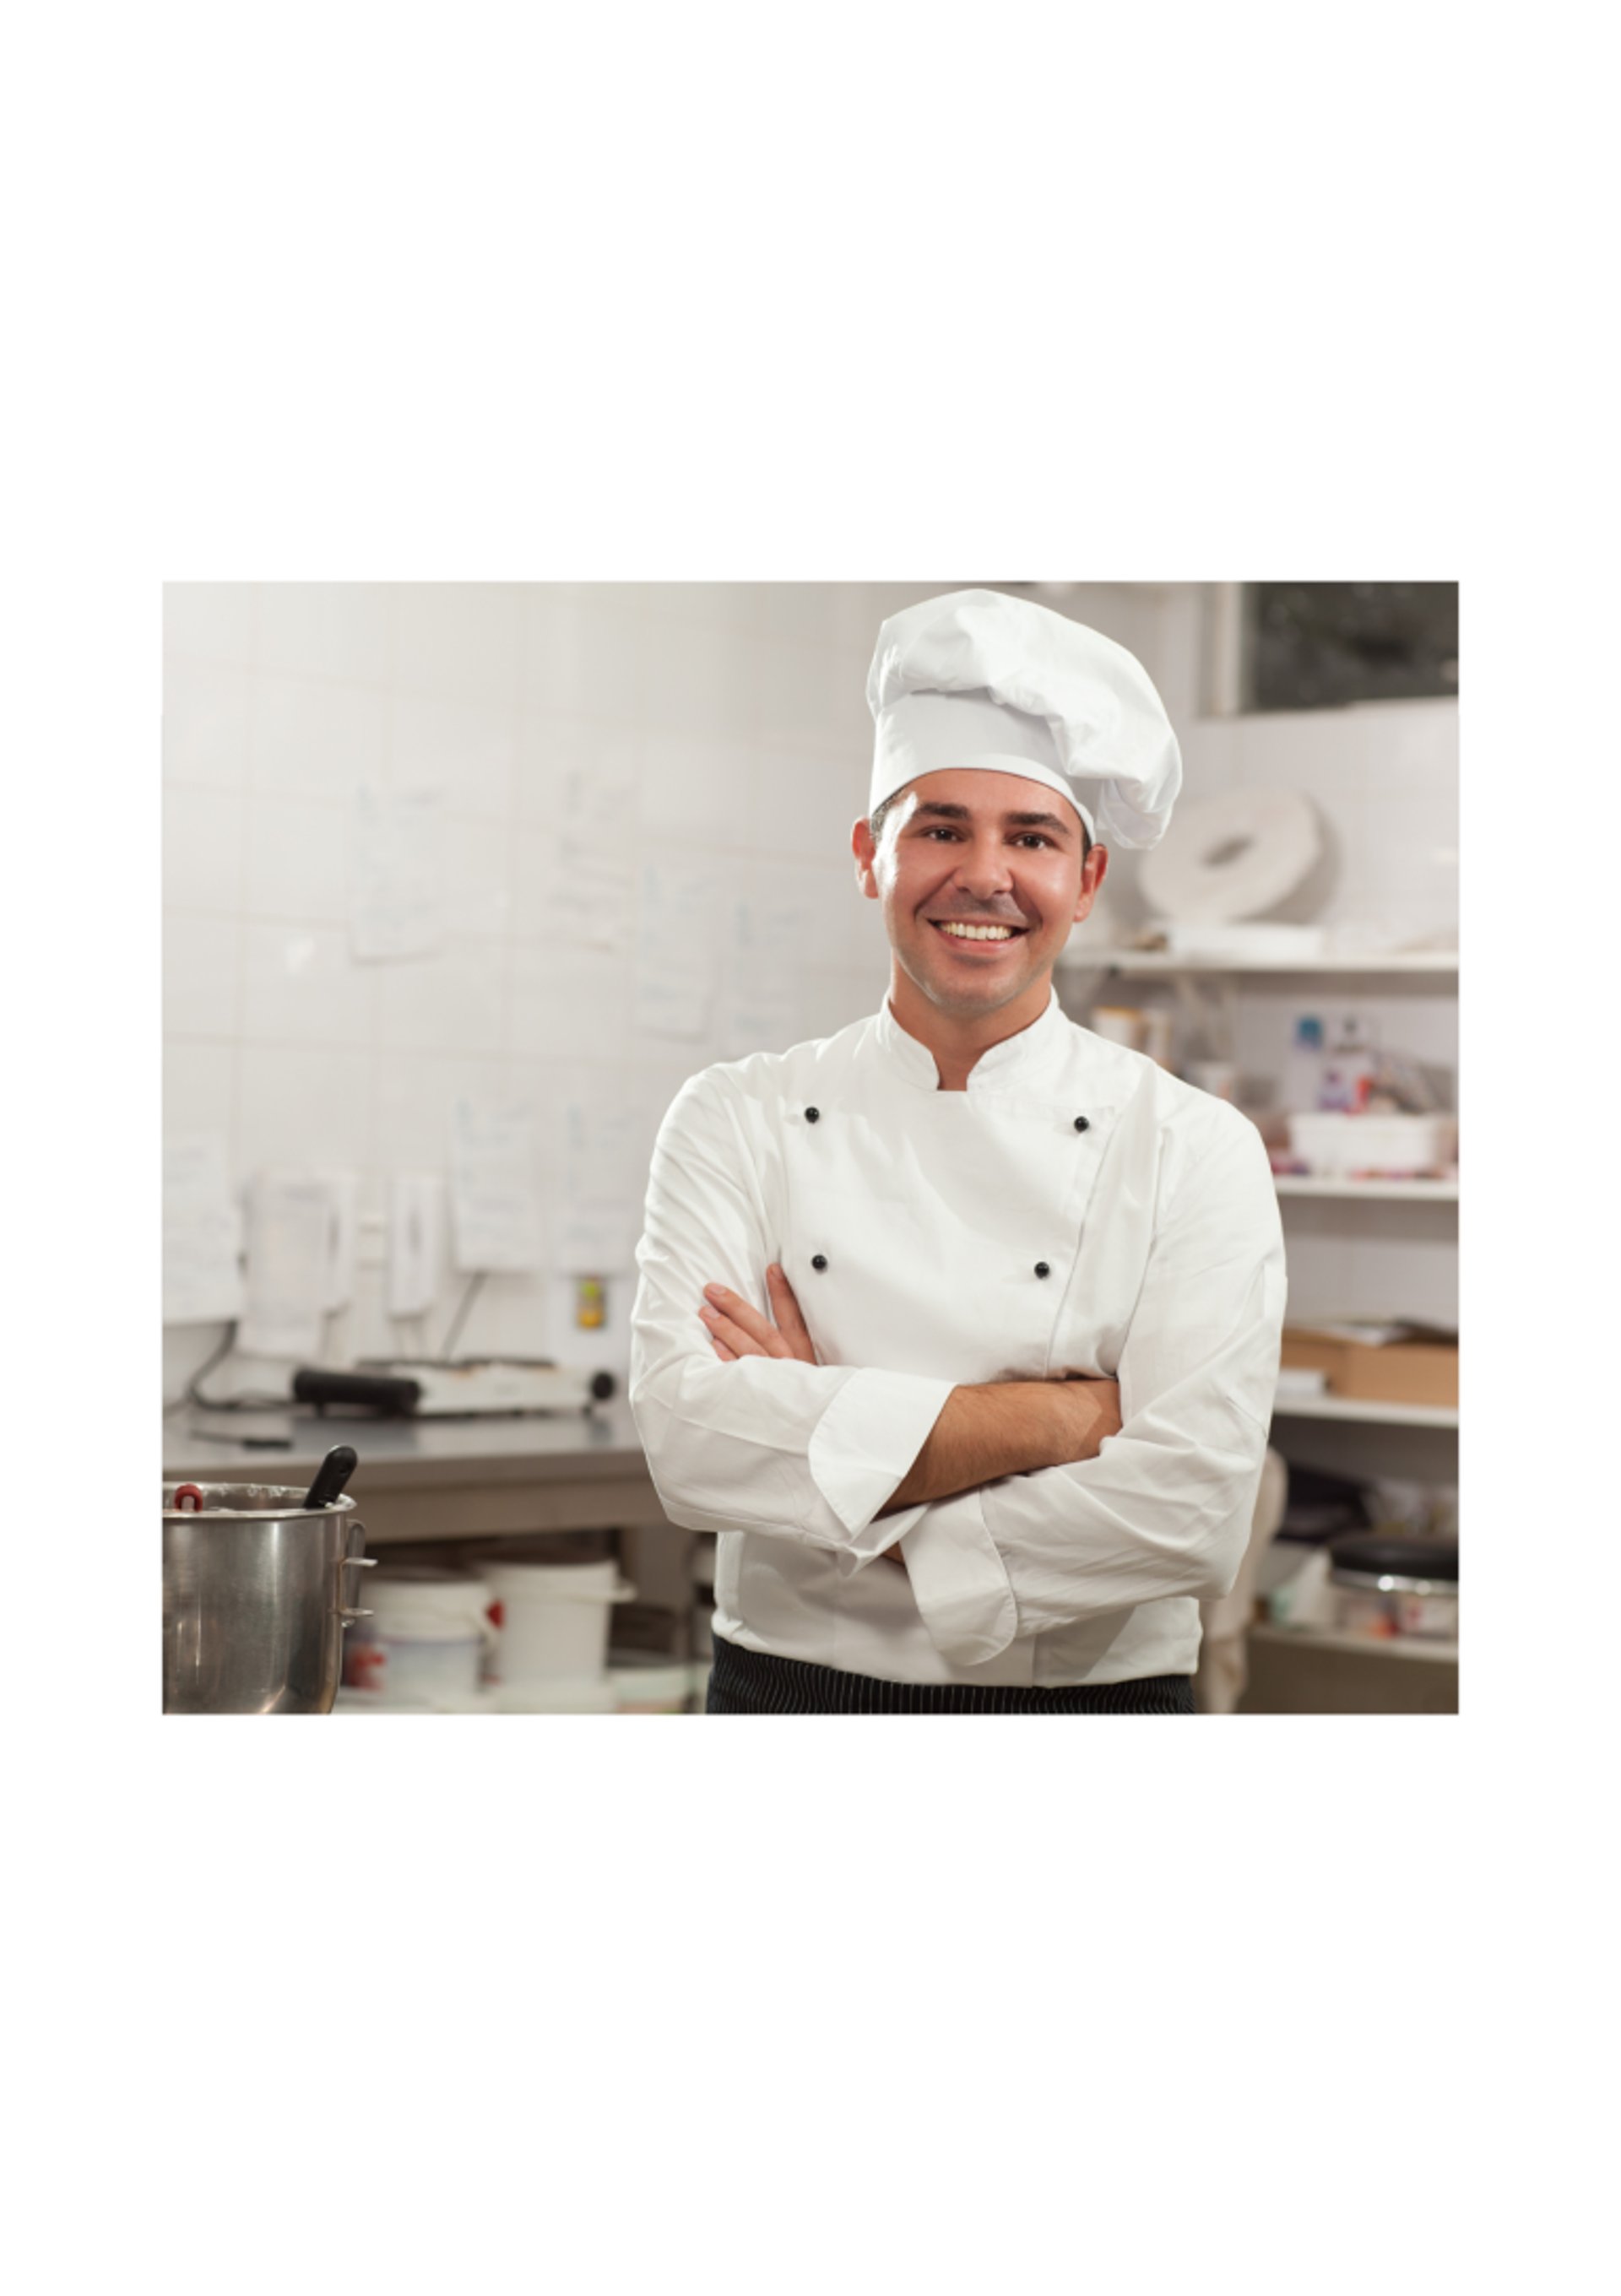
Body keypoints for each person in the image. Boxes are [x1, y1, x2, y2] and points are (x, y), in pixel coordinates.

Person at [629, 588, 1286, 1714]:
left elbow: (1191, 1511)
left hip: (1086, 1706)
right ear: (867, 857)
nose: (985, 876)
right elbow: (690, 1442)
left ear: (1085, 881)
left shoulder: (1192, 1148)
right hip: (788, 1689)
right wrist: (1060, 1418)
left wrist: (833, 1448)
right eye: (940, 827)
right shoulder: (736, 1114)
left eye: (1031, 837)